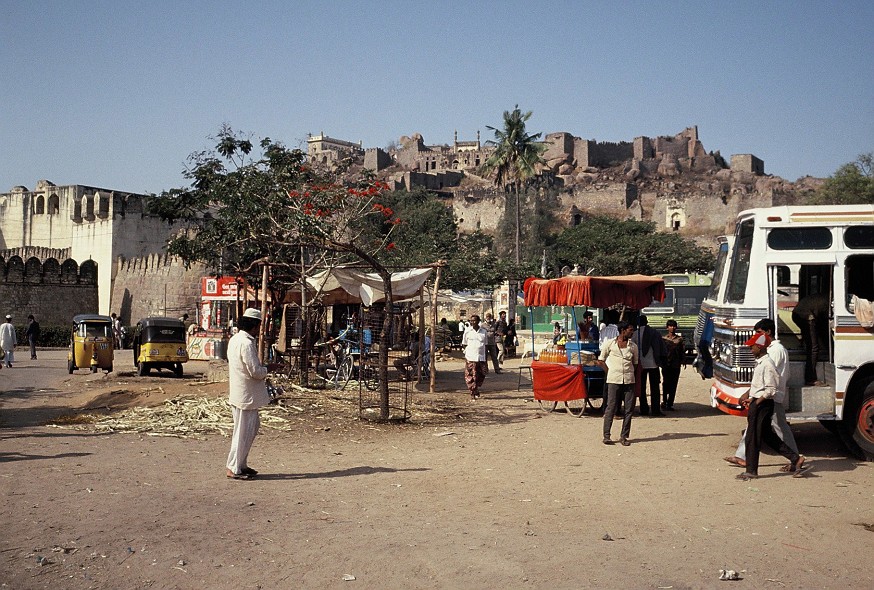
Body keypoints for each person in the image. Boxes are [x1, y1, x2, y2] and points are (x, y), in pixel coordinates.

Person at [724, 319, 800, 472]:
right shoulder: (768, 353)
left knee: (777, 429)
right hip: (765, 396)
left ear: (767, 333)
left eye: (758, 333)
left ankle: (796, 458)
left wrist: (757, 399)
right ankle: (744, 456)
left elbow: (771, 379)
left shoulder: (775, 351)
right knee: (758, 429)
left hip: (770, 397)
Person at [226, 308, 271, 481]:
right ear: (254, 326)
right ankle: (234, 467)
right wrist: (268, 369)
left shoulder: (235, 340)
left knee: (247, 430)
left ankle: (240, 464)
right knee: (243, 432)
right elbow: (255, 372)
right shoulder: (246, 343)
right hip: (246, 395)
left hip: (241, 392)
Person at [597, 321, 639, 446]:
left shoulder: (633, 346)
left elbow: (635, 363)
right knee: (611, 408)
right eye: (630, 330)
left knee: (628, 409)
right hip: (613, 380)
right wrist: (609, 371)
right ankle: (606, 436)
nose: (632, 332)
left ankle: (624, 436)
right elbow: (601, 360)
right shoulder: (609, 344)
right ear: (623, 330)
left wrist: (629, 372)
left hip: (629, 380)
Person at [791, 292, 829, 386]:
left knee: (812, 342)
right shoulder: (830, 301)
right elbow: (826, 320)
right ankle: (811, 378)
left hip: (799, 314)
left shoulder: (825, 298)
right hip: (806, 315)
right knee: (813, 348)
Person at [633, 314, 666, 416]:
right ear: (647, 322)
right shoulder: (655, 333)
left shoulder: (635, 334)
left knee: (642, 388)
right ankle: (655, 410)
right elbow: (662, 347)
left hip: (641, 364)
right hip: (653, 364)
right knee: (655, 388)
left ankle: (644, 409)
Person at [461, 314, 488, 399]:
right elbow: (464, 344)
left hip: (481, 357)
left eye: (474, 320)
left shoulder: (484, 332)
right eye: (471, 321)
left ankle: (476, 389)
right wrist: (467, 353)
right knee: (470, 375)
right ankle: (473, 391)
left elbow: (486, 345)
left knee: (480, 375)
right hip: (470, 357)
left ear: (478, 321)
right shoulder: (467, 331)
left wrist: (486, 358)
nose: (473, 322)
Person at [661, 319, 684, 410]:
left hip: (675, 364)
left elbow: (682, 352)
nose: (672, 328)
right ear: (667, 328)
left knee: (673, 384)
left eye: (674, 326)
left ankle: (670, 403)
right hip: (666, 364)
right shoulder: (664, 339)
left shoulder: (679, 339)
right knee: (665, 383)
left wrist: (683, 361)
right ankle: (664, 401)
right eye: (670, 326)